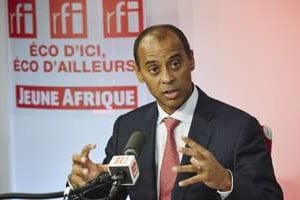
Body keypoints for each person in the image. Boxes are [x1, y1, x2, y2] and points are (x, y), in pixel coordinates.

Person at [68, 24, 283, 200]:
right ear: (139, 73)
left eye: (175, 64)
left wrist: (225, 181)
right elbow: (112, 193)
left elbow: (269, 197)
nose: (167, 78)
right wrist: (90, 184)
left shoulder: (238, 128)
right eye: (154, 69)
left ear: (191, 60)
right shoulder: (127, 126)